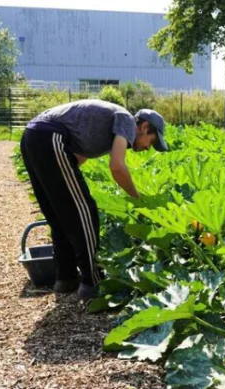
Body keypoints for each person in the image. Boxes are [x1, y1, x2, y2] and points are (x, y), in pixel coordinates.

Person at [19, 99, 168, 299]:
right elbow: (117, 167)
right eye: (152, 141)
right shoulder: (125, 120)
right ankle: (93, 281)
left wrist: (64, 185)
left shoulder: (108, 126)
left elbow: (79, 157)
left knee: (59, 213)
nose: (148, 147)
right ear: (144, 126)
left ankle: (66, 278)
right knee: (86, 212)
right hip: (49, 136)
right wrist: (137, 198)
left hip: (32, 135)